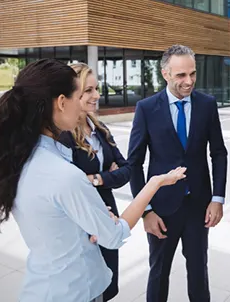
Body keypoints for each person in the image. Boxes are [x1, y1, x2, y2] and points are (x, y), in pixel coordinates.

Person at [0, 59, 186, 302]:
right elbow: (114, 236)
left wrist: (88, 213)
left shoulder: (22, 159)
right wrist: (154, 183)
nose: (91, 100)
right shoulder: (64, 174)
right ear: (62, 102)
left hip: (44, 286)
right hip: (74, 291)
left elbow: (53, 215)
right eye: (80, 94)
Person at [128, 45, 227, 302]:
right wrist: (146, 211)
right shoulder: (146, 108)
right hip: (161, 209)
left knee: (198, 272)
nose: (189, 81)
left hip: (198, 206)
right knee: (158, 273)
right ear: (165, 74)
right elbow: (135, 163)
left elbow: (219, 153)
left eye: (192, 74)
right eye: (181, 75)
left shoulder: (207, 104)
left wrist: (217, 199)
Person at [59, 63, 131, 301]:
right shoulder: (63, 137)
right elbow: (68, 184)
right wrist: (106, 176)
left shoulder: (99, 128)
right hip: (82, 223)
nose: (96, 96)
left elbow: (126, 170)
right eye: (88, 90)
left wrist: (97, 178)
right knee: (87, 289)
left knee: (106, 286)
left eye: (96, 89)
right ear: (70, 95)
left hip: (107, 216)